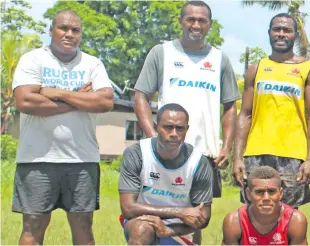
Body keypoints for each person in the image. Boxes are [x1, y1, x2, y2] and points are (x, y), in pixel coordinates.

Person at [11, 9, 113, 245]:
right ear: (51, 30)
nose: (69, 34)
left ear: (81, 34)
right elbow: (26, 101)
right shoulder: (33, 59)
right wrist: (79, 100)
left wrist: (56, 94)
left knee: (83, 226)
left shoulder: (92, 63)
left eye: (75, 30)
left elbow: (105, 101)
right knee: (33, 226)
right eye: (63, 28)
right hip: (36, 159)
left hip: (82, 159)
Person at [133, 0, 240, 201]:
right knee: (157, 207)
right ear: (180, 21)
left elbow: (230, 106)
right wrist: (153, 137)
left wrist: (226, 146)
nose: (196, 25)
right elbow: (141, 96)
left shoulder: (219, 59)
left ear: (210, 24)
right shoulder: (161, 53)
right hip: (166, 150)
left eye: (202, 20)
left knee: (196, 216)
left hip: (204, 152)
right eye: (190, 19)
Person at [232, 13, 310, 208]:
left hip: (292, 154)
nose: (281, 34)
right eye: (277, 29)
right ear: (269, 33)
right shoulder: (256, 69)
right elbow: (245, 114)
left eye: (287, 30)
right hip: (256, 153)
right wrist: (237, 157)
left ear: (295, 35)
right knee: (255, 213)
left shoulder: (308, 69)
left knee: (289, 214)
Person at [118, 104, 214, 245]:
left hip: (179, 229)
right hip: (143, 221)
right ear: (156, 127)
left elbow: (203, 218)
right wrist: (179, 212)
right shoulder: (137, 154)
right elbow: (128, 208)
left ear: (187, 130)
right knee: (141, 229)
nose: (174, 133)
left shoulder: (199, 162)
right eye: (168, 127)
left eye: (180, 128)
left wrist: (170, 230)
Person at [222, 166, 309, 245]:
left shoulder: (295, 220)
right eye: (259, 192)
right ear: (248, 194)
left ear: (281, 193)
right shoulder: (234, 221)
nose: (266, 198)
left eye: (271, 191)